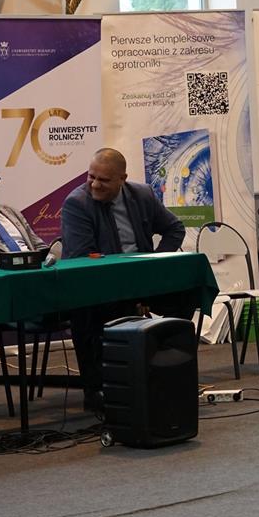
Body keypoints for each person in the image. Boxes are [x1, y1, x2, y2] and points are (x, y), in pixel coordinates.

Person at [60, 147, 187, 412]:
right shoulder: (77, 203)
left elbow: (174, 228)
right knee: (87, 310)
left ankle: (166, 374)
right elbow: (82, 258)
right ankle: (97, 390)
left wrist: (155, 263)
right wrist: (127, 284)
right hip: (101, 285)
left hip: (143, 279)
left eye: (104, 180)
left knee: (184, 296)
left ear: (123, 179)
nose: (95, 184)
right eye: (91, 176)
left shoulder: (143, 194)